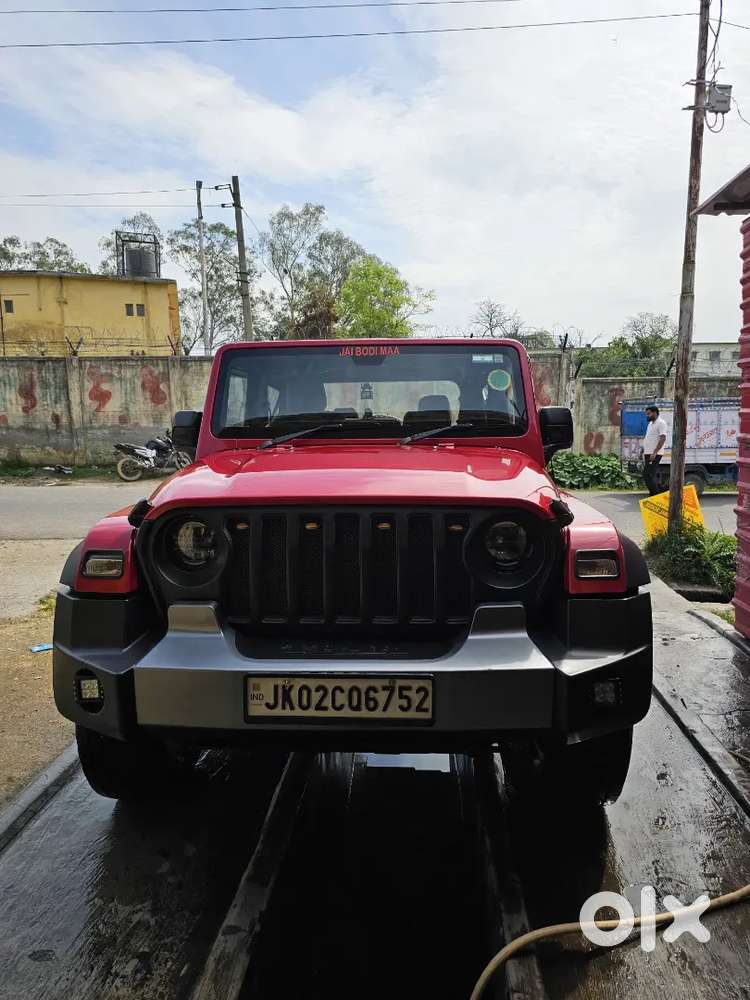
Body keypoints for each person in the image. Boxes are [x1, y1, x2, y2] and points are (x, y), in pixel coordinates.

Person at [642, 405, 668, 495]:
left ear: (655, 413)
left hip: (654, 454)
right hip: (648, 453)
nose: (647, 416)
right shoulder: (651, 424)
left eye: (648, 414)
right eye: (647, 414)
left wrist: (655, 452)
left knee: (648, 474)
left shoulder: (661, 423)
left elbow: (663, 438)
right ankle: (658, 492)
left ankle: (655, 494)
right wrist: (643, 451)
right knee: (648, 475)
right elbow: (648, 438)